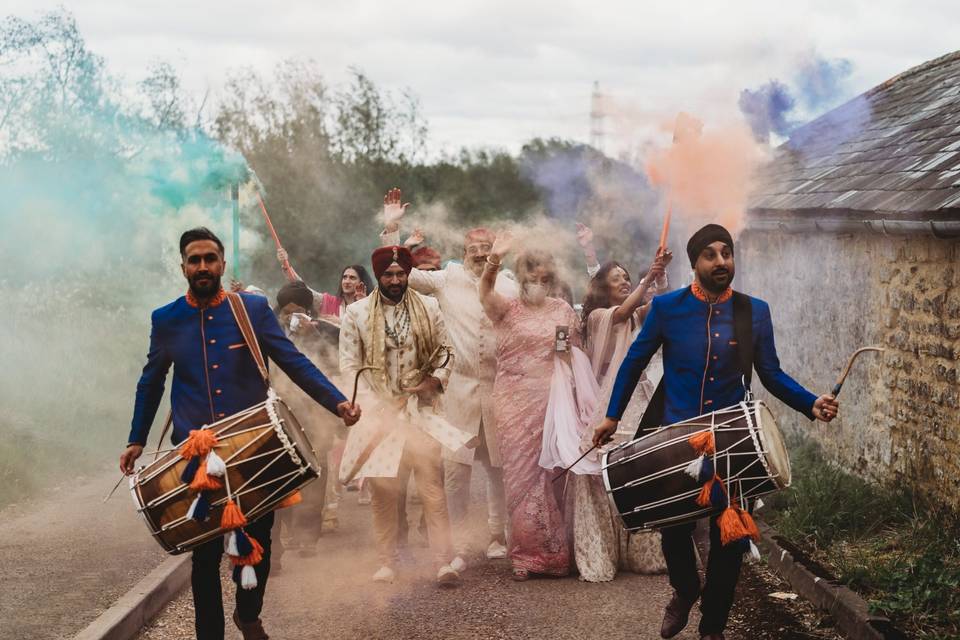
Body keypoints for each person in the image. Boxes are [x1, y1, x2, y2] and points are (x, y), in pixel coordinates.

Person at [593, 224, 840, 640]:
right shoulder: (667, 308)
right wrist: (613, 416)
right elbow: (634, 362)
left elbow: (771, 373)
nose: (721, 261)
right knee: (673, 530)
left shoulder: (753, 311)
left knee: (730, 543)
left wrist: (810, 403)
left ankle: (712, 630)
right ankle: (685, 589)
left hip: (732, 440)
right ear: (695, 263)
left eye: (726, 252)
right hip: (675, 437)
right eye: (710, 254)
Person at [119, 227, 360, 640]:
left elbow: (292, 361)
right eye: (194, 260)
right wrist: (136, 438)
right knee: (205, 553)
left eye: (209, 258)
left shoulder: (252, 309)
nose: (202, 267)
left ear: (222, 263)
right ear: (183, 267)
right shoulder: (166, 319)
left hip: (256, 446)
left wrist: (335, 401)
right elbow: (151, 381)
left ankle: (248, 615)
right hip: (197, 456)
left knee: (260, 540)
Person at [381, 188, 516, 571]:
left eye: (486, 246)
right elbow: (399, 277)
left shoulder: (508, 283)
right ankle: (455, 544)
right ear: (462, 250)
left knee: (498, 469)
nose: (479, 252)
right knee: (456, 473)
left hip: (498, 388)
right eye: (473, 246)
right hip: (456, 390)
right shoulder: (446, 278)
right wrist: (392, 230)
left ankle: (495, 536)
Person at [339, 244, 472, 586]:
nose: (396, 280)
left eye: (401, 274)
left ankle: (443, 562)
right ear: (379, 276)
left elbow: (446, 352)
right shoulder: (355, 314)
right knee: (385, 493)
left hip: (421, 412)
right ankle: (388, 561)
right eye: (388, 274)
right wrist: (375, 404)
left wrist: (433, 381)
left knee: (431, 489)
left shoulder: (429, 306)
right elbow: (349, 366)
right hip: (380, 416)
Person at [569, 254, 672, 582]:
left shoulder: (635, 314)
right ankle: (605, 549)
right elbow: (627, 309)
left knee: (641, 467)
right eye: (616, 278)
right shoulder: (600, 316)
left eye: (626, 276)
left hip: (639, 398)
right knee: (605, 472)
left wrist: (660, 276)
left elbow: (657, 308)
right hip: (610, 402)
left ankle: (641, 553)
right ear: (602, 287)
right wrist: (646, 279)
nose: (624, 280)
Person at [480, 233, 576, 581]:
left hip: (550, 402)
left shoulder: (562, 311)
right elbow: (484, 292)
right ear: (521, 278)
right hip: (511, 401)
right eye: (532, 277)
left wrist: (572, 398)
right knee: (520, 476)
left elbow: (566, 355)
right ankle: (526, 556)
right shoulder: (506, 309)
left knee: (551, 474)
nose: (539, 282)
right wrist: (493, 260)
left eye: (545, 278)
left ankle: (555, 554)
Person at [277, 248, 371, 321]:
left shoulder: (370, 306)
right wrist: (286, 265)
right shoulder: (328, 302)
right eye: (344, 277)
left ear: (361, 282)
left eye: (352, 278)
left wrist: (341, 323)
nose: (346, 281)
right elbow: (302, 289)